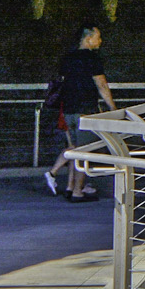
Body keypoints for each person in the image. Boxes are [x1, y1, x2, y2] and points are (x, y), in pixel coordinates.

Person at [44, 24, 114, 201]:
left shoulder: (67, 58)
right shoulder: (93, 59)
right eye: (97, 37)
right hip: (86, 110)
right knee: (85, 151)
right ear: (88, 38)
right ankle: (77, 192)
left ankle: (71, 187)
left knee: (75, 149)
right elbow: (102, 85)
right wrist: (113, 108)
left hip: (68, 109)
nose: (100, 40)